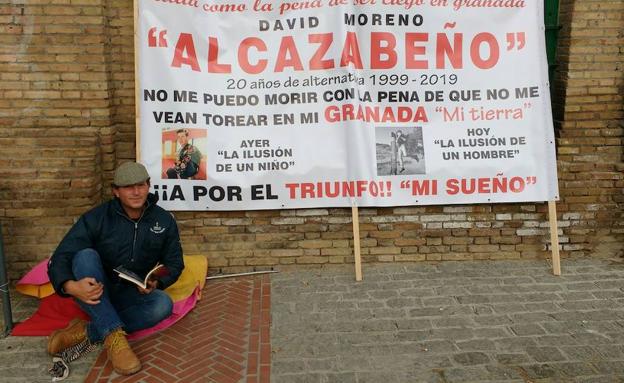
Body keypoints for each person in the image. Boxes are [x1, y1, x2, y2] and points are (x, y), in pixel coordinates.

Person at [47, 162, 184, 375]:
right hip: (95, 290)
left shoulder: (163, 220)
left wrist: (157, 280)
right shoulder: (96, 218)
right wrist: (71, 286)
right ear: (116, 191)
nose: (136, 192)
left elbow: (174, 263)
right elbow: (61, 256)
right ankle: (115, 339)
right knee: (85, 256)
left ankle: (87, 331)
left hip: (130, 291)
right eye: (128, 187)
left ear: (149, 186)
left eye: (141, 185)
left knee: (163, 304)